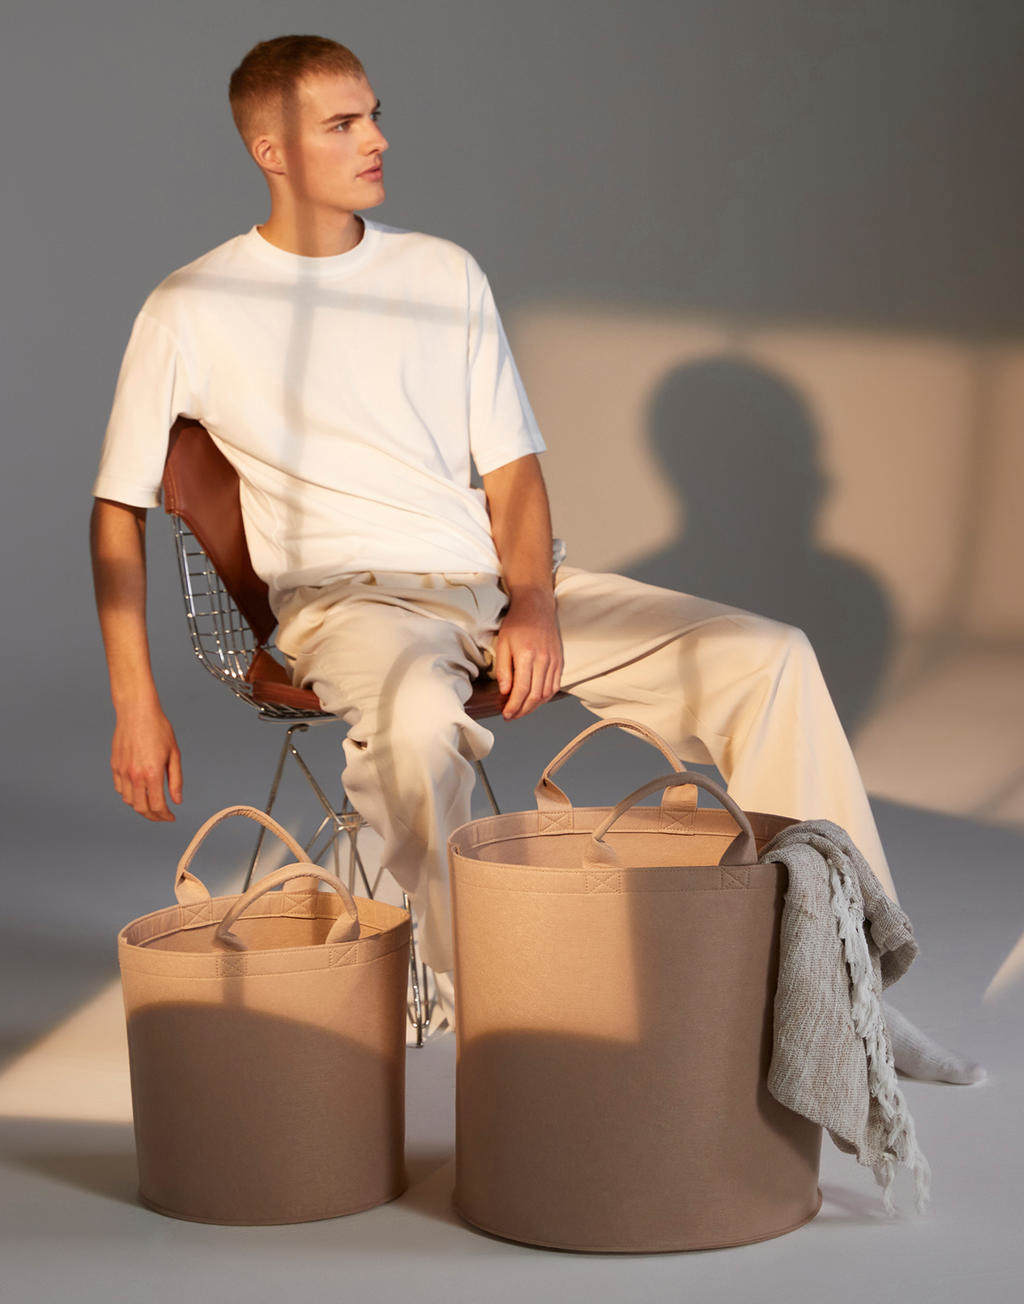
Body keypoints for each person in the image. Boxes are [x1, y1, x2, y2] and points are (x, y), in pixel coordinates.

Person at [90, 34, 981, 1082]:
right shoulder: (192, 306)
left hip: (490, 581)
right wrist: (135, 703)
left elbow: (512, 472)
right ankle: (500, 1013)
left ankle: (845, 985)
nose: (377, 139)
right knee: (417, 724)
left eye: (375, 113)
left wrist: (535, 604)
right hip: (352, 605)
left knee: (767, 655)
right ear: (270, 150)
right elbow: (117, 511)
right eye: (343, 124)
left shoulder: (441, 273)